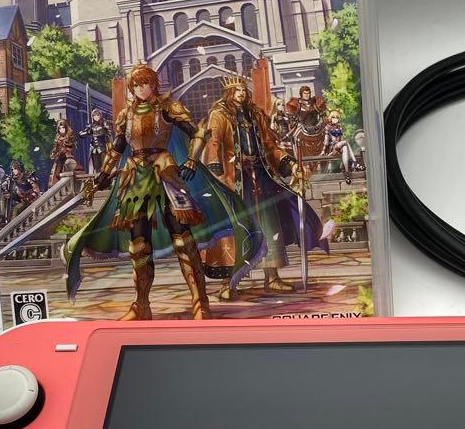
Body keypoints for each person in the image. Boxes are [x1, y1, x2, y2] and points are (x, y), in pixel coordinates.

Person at [63, 65, 263, 320]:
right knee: (138, 245)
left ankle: (200, 302)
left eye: (145, 83)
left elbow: (197, 132)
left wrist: (191, 160)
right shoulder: (127, 115)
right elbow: (117, 148)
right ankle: (141, 305)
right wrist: (102, 176)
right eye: (136, 85)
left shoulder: (168, 108)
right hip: (136, 179)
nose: (141, 89)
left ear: (154, 84)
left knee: (183, 239)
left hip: (165, 173)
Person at [203, 76, 328, 298]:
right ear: (229, 93)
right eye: (236, 90)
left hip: (261, 176)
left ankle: (272, 277)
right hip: (234, 180)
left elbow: (270, 145)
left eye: (243, 89)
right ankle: (228, 284)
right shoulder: (219, 115)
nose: (241, 93)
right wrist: (216, 173)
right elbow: (214, 144)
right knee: (235, 229)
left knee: (270, 226)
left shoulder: (256, 114)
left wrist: (291, 165)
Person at [78, 108, 112, 173]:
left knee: (105, 166)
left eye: (97, 115)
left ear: (100, 116)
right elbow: (81, 134)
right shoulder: (91, 126)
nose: (96, 117)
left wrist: (105, 134)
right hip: (93, 149)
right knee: (96, 167)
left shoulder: (104, 124)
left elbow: (110, 134)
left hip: (103, 148)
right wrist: (88, 132)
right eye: (94, 115)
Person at [48, 118, 77, 186]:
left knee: (68, 170)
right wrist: (53, 153)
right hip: (59, 157)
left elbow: (72, 146)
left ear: (66, 128)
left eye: (63, 128)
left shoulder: (70, 136)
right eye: (60, 128)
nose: (61, 130)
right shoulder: (57, 137)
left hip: (68, 156)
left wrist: (66, 148)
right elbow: (55, 147)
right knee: (56, 173)